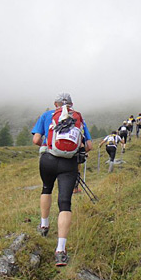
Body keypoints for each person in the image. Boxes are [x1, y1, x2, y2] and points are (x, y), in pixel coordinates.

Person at [31, 93, 93, 266]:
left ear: (55, 104)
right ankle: (60, 250)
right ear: (72, 104)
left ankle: (44, 225)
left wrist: (49, 145)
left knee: (46, 188)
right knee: (65, 203)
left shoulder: (46, 115)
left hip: (48, 160)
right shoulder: (78, 118)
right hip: (69, 164)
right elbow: (89, 146)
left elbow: (36, 139)